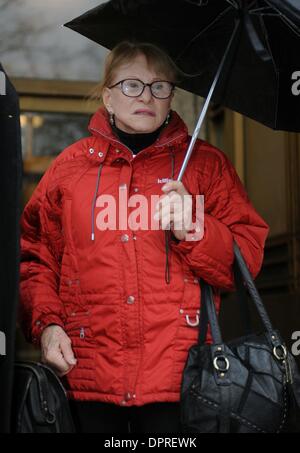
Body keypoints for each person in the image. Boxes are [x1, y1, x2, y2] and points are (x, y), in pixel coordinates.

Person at [19, 41, 270, 433]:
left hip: (183, 382)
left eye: (159, 86)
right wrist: (46, 325)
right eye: (131, 85)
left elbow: (247, 262)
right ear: (108, 96)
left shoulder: (206, 167)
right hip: (87, 378)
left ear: (171, 97)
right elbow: (34, 258)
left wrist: (197, 228)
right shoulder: (69, 169)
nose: (147, 96)